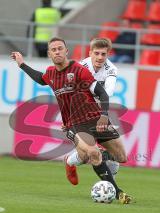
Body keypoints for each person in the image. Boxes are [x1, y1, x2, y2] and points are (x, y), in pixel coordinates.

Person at [11, 37, 131, 204]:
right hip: (74, 124)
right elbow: (40, 78)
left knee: (121, 157)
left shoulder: (79, 69)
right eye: (54, 49)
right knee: (94, 154)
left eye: (60, 48)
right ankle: (118, 193)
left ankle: (71, 159)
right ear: (49, 54)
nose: (57, 51)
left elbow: (102, 93)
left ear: (66, 51)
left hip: (96, 118)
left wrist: (104, 115)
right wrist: (21, 64)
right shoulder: (51, 73)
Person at [65, 38, 127, 183]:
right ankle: (69, 161)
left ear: (108, 54)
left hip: (98, 114)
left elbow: (108, 91)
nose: (100, 57)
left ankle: (107, 180)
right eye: (97, 53)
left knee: (120, 157)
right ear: (90, 53)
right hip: (78, 116)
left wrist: (103, 113)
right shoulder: (79, 67)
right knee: (85, 156)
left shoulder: (111, 69)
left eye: (103, 54)